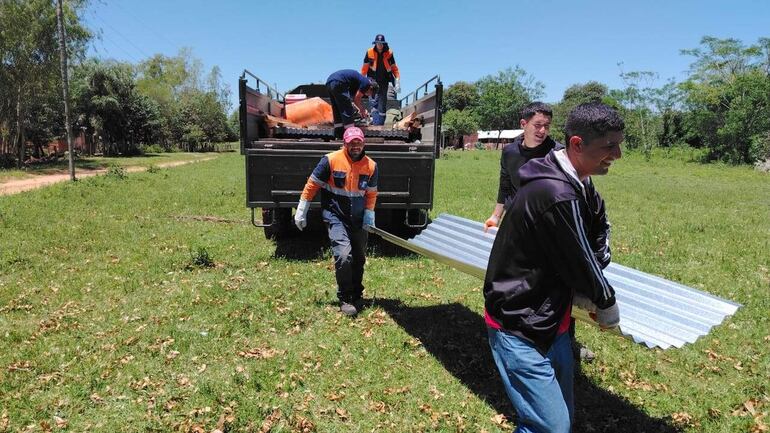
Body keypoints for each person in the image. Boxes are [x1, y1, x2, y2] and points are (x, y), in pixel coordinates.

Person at [483, 102, 624, 433]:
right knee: (551, 427)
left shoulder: (577, 181)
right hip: (520, 322)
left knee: (558, 420)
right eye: (609, 146)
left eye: (619, 144)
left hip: (551, 321)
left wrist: (599, 260)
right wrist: (606, 303)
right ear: (577, 144)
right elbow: (579, 259)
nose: (617, 154)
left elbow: (599, 225)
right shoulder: (556, 192)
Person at [294, 127, 378, 316]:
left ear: (363, 143)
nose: (355, 146)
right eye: (351, 142)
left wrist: (369, 215)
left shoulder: (371, 166)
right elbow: (312, 185)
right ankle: (345, 297)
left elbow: (371, 193)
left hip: (358, 220)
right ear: (344, 143)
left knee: (359, 258)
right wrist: (302, 210)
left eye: (359, 142)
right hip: (336, 217)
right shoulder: (330, 160)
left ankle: (357, 293)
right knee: (343, 256)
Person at [484, 102, 560, 231]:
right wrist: (496, 217)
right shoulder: (509, 152)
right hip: (515, 220)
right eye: (537, 125)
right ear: (523, 124)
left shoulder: (558, 154)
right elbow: (505, 186)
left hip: (547, 224)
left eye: (546, 126)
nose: (542, 131)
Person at [326, 69, 379, 139]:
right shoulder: (366, 83)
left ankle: (339, 133)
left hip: (330, 81)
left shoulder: (357, 83)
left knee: (337, 109)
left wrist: (359, 108)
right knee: (347, 110)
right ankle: (351, 135)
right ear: (371, 88)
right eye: (370, 93)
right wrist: (362, 110)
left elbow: (353, 99)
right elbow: (356, 100)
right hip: (339, 81)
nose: (368, 95)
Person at [361, 34, 400, 125]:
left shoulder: (389, 53)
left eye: (381, 43)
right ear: (375, 43)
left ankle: (380, 124)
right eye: (377, 43)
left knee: (382, 102)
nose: (379, 45)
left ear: (384, 44)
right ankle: (375, 123)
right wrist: (361, 80)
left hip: (384, 80)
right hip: (372, 80)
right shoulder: (369, 52)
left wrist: (397, 80)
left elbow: (394, 67)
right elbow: (364, 68)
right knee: (373, 101)